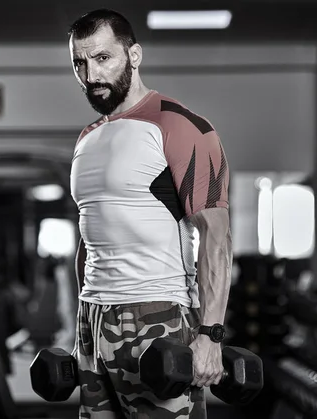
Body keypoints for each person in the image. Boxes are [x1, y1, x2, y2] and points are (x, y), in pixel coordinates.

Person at [68, 9, 232, 419]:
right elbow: (89, 238)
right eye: (79, 63)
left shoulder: (178, 125)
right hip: (93, 319)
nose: (91, 75)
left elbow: (217, 236)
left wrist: (211, 335)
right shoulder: (88, 138)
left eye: (102, 58)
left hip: (156, 313)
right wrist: (82, 327)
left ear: (134, 55)